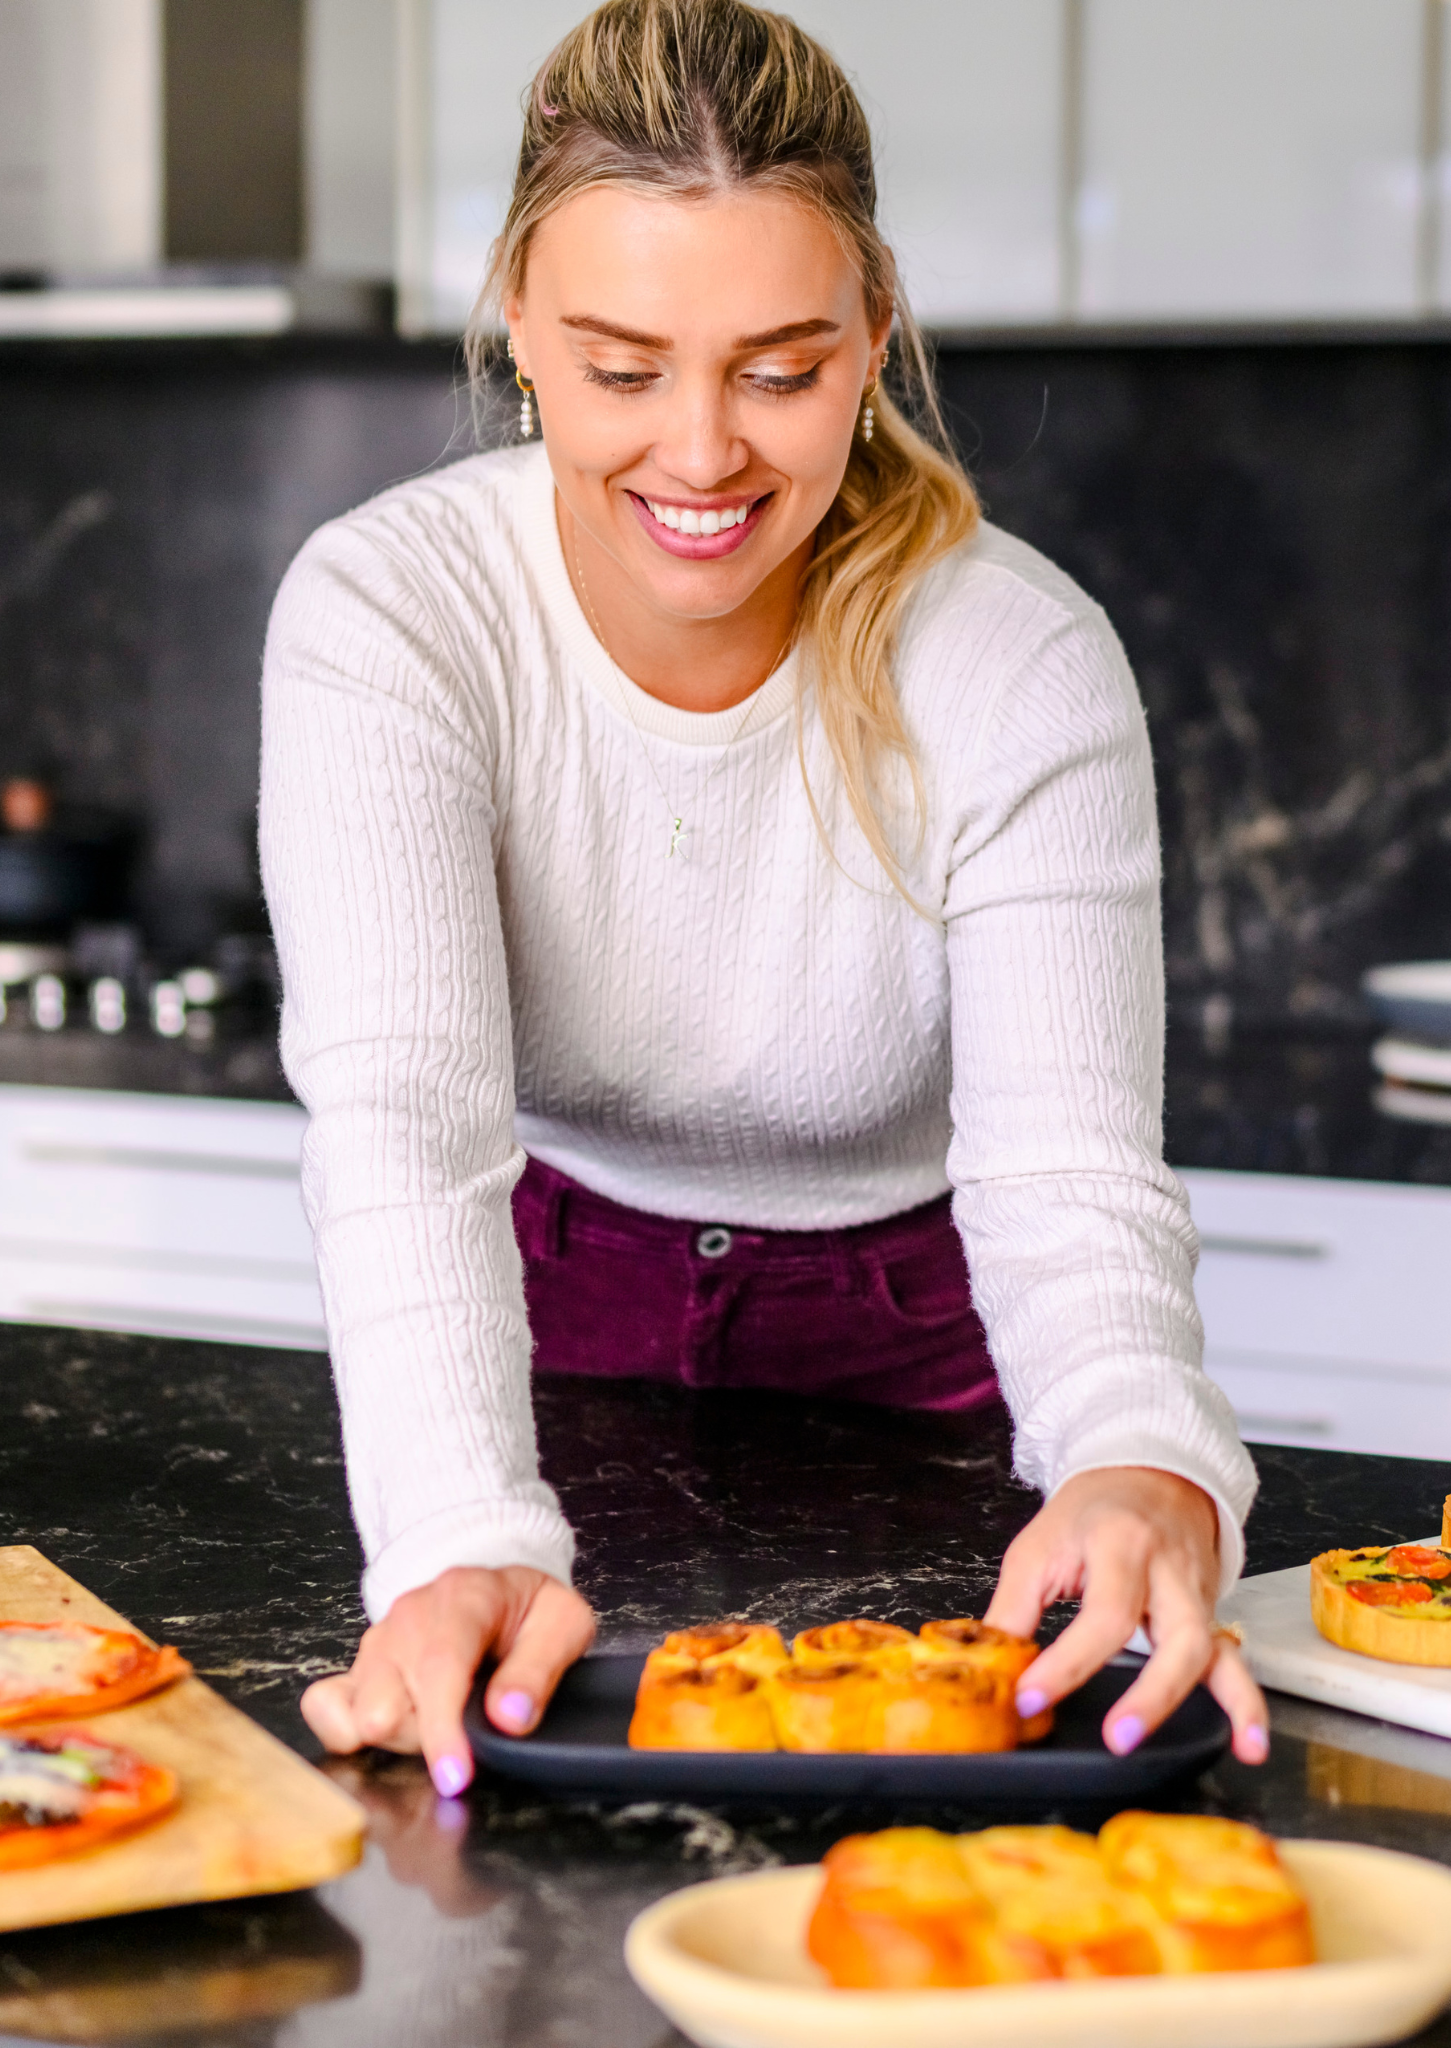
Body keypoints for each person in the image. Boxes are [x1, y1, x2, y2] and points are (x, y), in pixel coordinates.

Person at [261, 0, 1263, 1799]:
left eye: (781, 370)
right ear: (517, 320)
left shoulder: (1016, 658)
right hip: (531, 1339)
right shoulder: (394, 617)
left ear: (874, 331)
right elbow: (406, 1131)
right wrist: (455, 1534)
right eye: (624, 369)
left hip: (926, 1373)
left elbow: (1063, 1172)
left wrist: (1137, 1454)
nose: (704, 453)